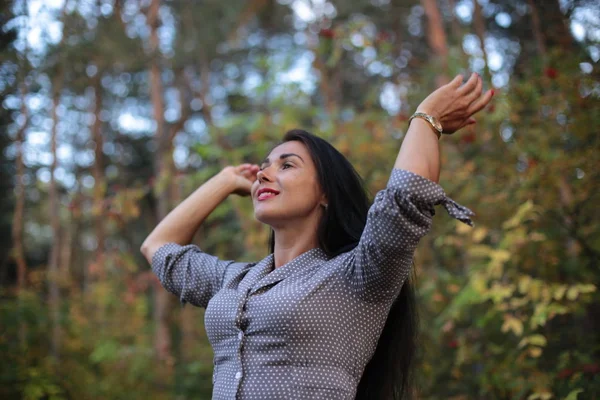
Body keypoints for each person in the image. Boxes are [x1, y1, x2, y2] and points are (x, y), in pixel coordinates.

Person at [141, 72, 493, 400]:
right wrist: (226, 179)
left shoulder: (360, 274)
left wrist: (426, 117)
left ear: (326, 192)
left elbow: (406, 195)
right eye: (263, 167)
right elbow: (158, 247)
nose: (264, 174)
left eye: (287, 165)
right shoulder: (234, 281)